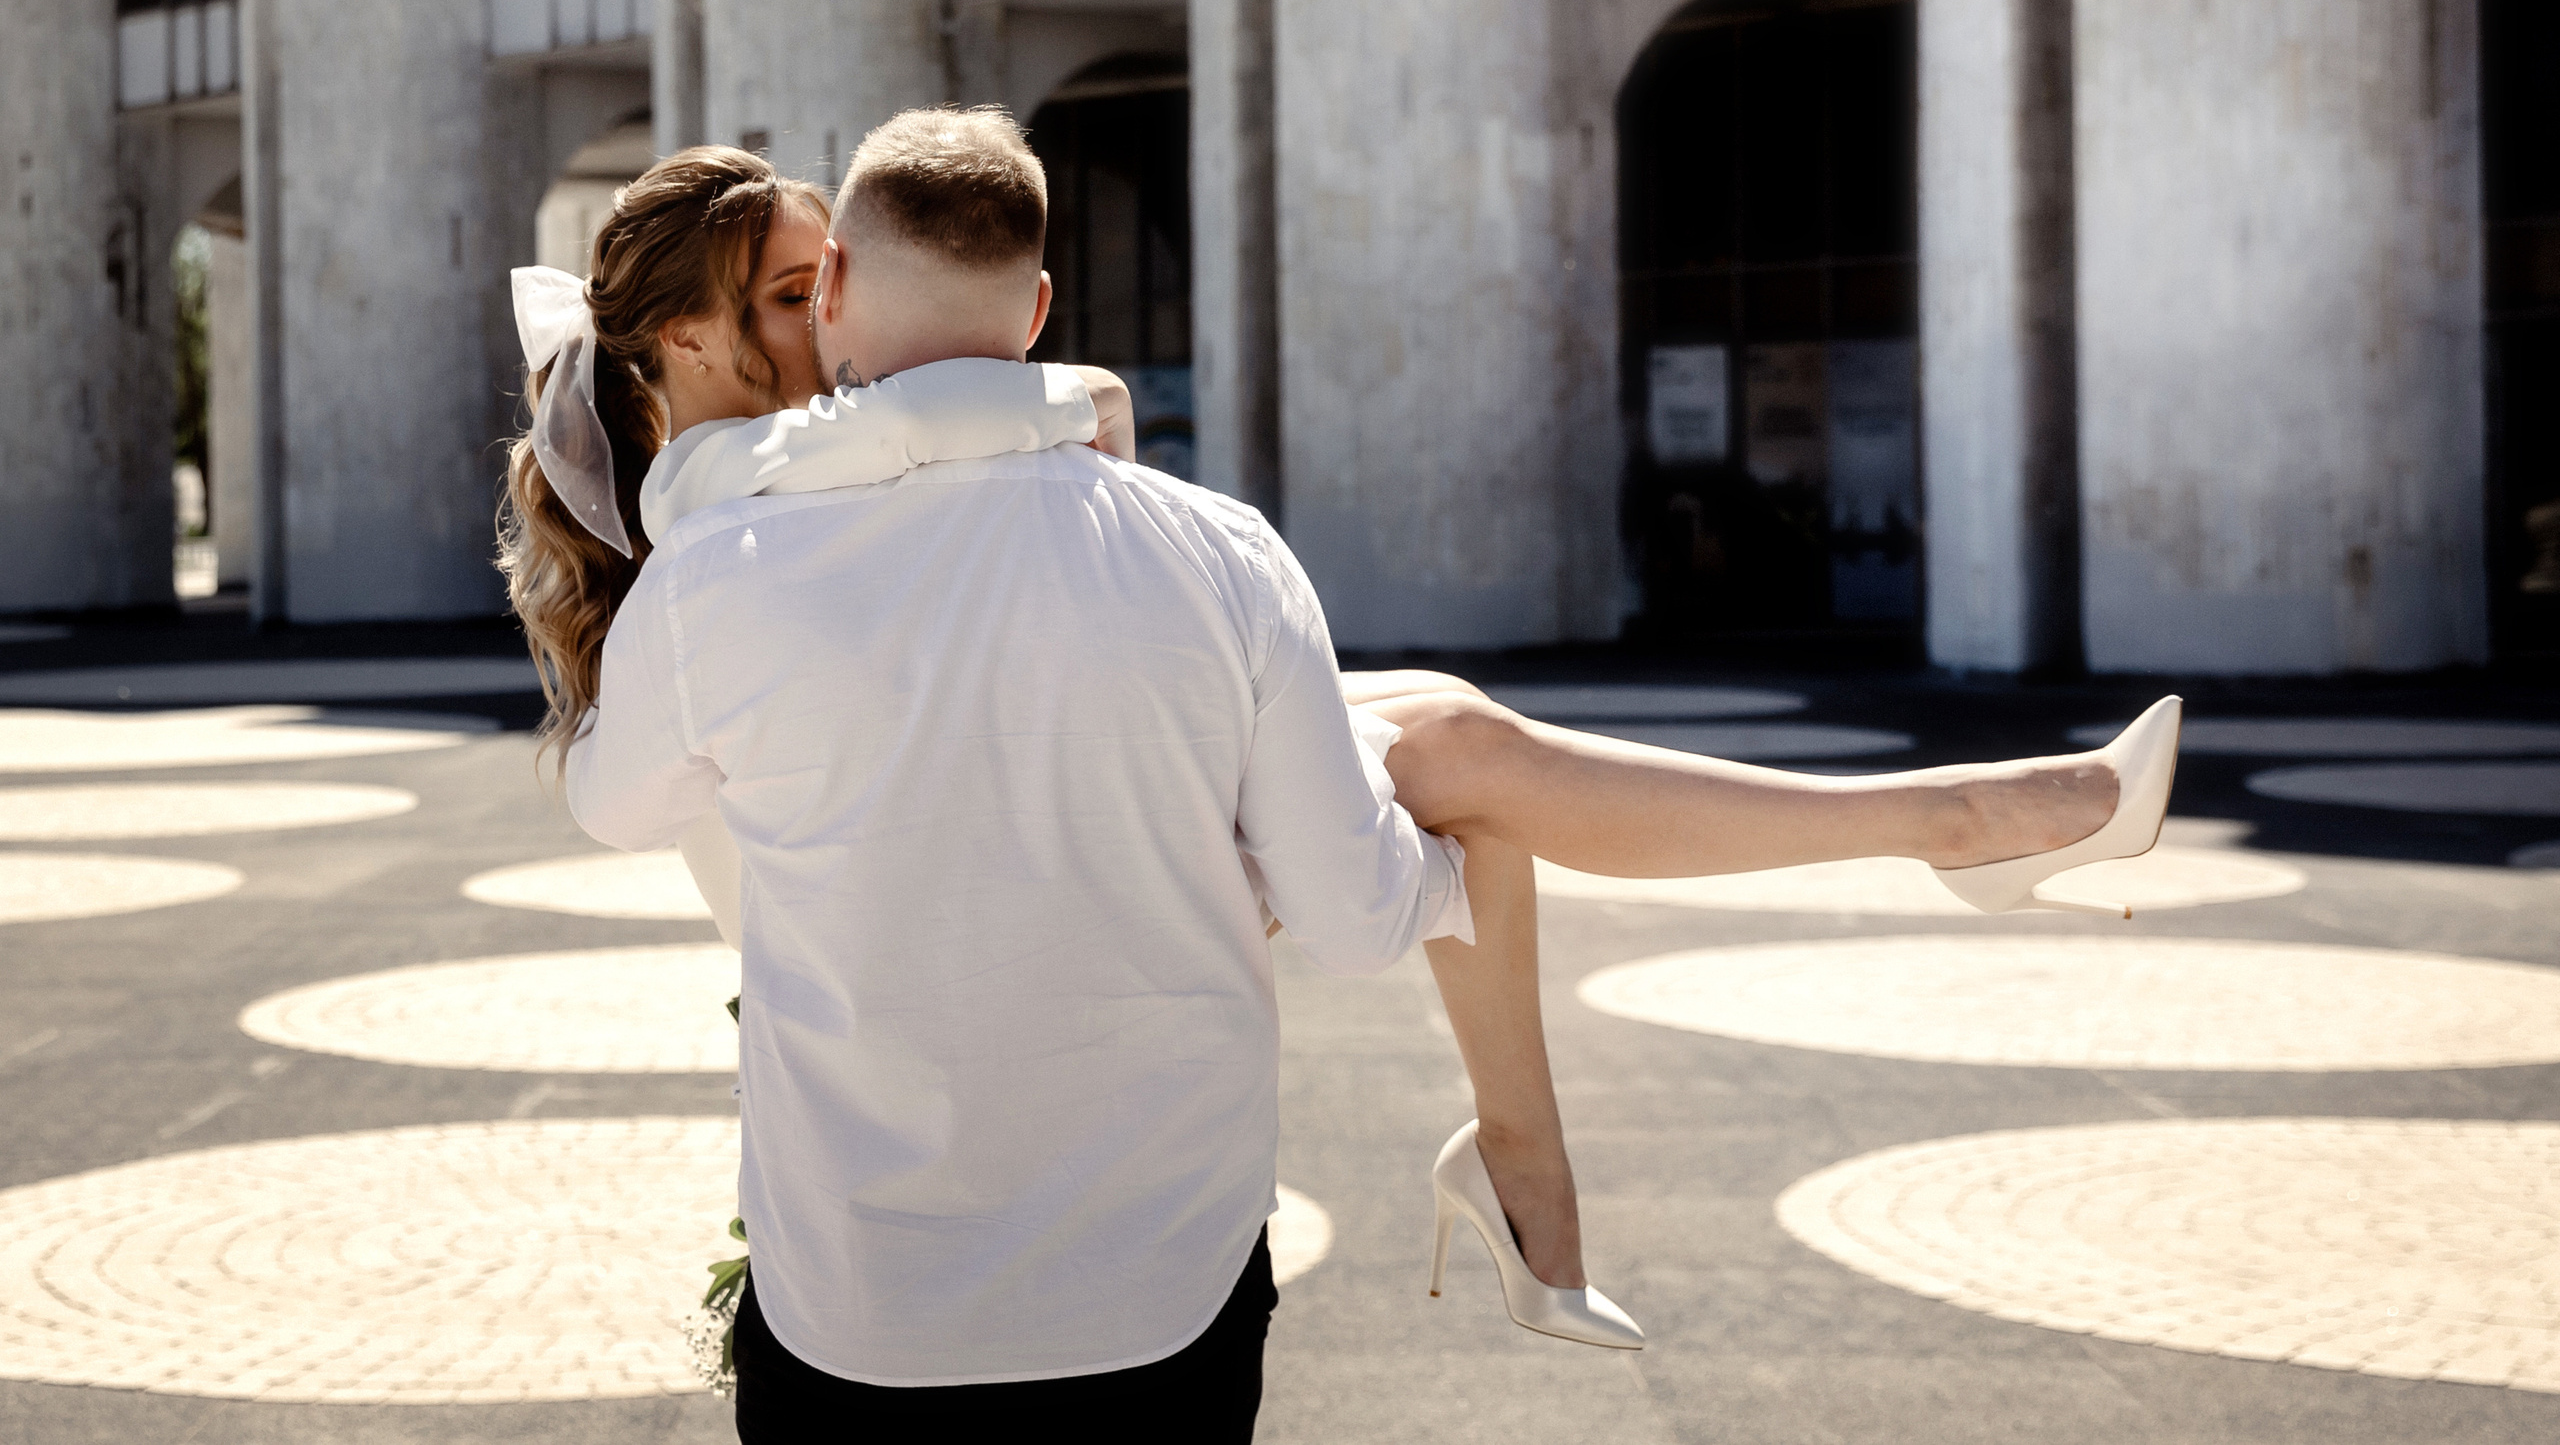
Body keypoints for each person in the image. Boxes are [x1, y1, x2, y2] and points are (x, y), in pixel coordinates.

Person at [498, 130, 2172, 1368]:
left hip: (1005, 933)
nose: (832, 324)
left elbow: (1006, 424)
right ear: (687, 349)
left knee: (1452, 737)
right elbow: (1021, 406)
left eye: (829, 284)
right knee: (1452, 759)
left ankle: (1590, 1116)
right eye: (797, 296)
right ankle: (1901, 868)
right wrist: (1045, 390)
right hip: (992, 911)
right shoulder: (722, 519)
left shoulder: (800, 484)